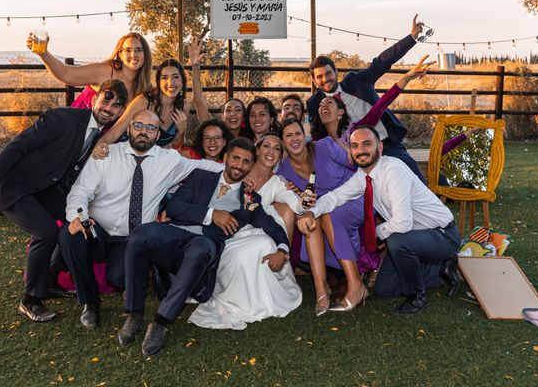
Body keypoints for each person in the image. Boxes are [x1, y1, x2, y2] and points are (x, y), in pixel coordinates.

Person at [0, 80, 128, 322]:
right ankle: (30, 299)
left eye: (117, 105)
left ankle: (50, 280)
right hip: (13, 186)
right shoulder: (63, 117)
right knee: (46, 232)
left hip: (44, 188)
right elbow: (16, 147)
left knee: (79, 221)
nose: (109, 107)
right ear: (94, 99)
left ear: (121, 112)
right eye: (106, 99)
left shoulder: (99, 137)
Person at [119, 138, 290, 357]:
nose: (239, 165)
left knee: (202, 246)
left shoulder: (250, 198)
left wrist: (282, 251)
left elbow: (273, 227)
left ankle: (160, 323)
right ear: (225, 158)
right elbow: (174, 206)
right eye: (235, 158)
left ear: (250, 166)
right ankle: (134, 313)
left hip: (203, 250)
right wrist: (212, 215)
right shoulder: (200, 177)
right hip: (175, 236)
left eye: (246, 161)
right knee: (140, 234)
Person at [58, 109, 224, 328]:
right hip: (99, 230)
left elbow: (203, 165)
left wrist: (243, 171)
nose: (144, 132)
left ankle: (127, 280)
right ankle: (89, 302)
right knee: (70, 236)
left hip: (131, 240)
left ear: (157, 135)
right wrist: (78, 217)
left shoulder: (169, 160)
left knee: (118, 278)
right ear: (128, 129)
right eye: (138, 126)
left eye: (151, 128)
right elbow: (81, 191)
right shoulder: (107, 155)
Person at [298, 125, 461, 315]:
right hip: (416, 235)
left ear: (380, 147)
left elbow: (402, 223)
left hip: (442, 234)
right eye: (355, 146)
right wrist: (311, 213)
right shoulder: (363, 176)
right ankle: (441, 268)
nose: (361, 150)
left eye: (367, 144)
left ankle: (418, 296)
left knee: (397, 241)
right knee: (384, 289)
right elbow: (336, 196)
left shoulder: (394, 170)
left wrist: (374, 234)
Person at [188, 133, 304, 330]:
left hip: (259, 230)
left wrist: (306, 202)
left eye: (277, 149)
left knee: (266, 242)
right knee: (260, 244)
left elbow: (296, 204)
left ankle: (258, 298)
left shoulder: (279, 183)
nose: (271, 152)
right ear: (257, 150)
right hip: (223, 233)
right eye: (266, 146)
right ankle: (233, 290)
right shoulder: (236, 170)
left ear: (281, 156)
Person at [277, 118, 381, 316]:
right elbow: (299, 201)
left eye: (297, 133)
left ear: (304, 134)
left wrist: (348, 149)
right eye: (288, 135)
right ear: (283, 141)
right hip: (323, 208)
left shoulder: (323, 147)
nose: (294, 139)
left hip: (355, 197)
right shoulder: (283, 171)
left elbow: (356, 165)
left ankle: (354, 285)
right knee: (312, 217)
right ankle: (321, 290)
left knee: (323, 215)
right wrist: (298, 196)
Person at [306, 15, 427, 183]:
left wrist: (412, 37)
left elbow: (383, 61)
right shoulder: (315, 104)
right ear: (314, 81)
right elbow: (318, 136)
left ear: (336, 73)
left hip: (386, 143)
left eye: (328, 73)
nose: (325, 79)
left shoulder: (356, 81)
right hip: (355, 156)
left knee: (416, 181)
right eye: (319, 76)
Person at [311, 57, 434, 142]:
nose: (324, 105)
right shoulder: (321, 142)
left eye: (329, 102)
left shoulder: (355, 129)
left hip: (382, 146)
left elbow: (382, 104)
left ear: (341, 111)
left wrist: (406, 78)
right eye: (321, 103)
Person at [26, 32, 152, 105]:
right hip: (75, 132)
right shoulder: (106, 71)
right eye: (128, 50)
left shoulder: (145, 87)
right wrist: (43, 53)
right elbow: (66, 74)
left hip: (105, 145)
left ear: (145, 54)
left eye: (139, 50)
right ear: (120, 53)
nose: (134, 55)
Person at [93, 58, 188, 153]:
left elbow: (175, 147)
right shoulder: (144, 101)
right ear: (159, 82)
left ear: (182, 80)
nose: (171, 82)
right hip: (126, 155)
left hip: (154, 161)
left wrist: (181, 132)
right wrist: (99, 145)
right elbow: (115, 131)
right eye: (164, 77)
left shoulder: (183, 107)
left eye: (175, 77)